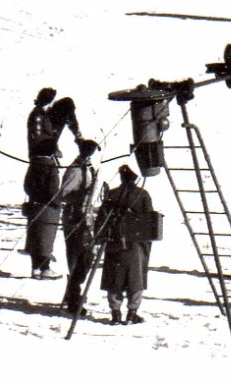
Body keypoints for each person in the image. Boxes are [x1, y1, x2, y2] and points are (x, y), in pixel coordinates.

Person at [25, 89, 81, 278]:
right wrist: (60, 201)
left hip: (35, 201)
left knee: (35, 232)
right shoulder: (39, 117)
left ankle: (36, 267)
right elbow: (53, 191)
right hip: (48, 207)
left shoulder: (35, 166)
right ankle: (45, 267)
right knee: (46, 234)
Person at [97, 164, 156, 325]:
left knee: (114, 278)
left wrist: (100, 238)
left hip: (114, 243)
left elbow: (102, 219)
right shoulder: (142, 195)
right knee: (135, 279)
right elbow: (149, 220)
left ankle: (115, 313)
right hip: (136, 244)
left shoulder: (112, 194)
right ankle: (132, 312)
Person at [59, 139, 102, 317]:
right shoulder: (76, 170)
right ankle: (74, 299)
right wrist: (83, 193)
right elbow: (63, 195)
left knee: (87, 257)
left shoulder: (88, 168)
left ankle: (72, 293)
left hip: (86, 218)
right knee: (78, 259)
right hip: (74, 218)